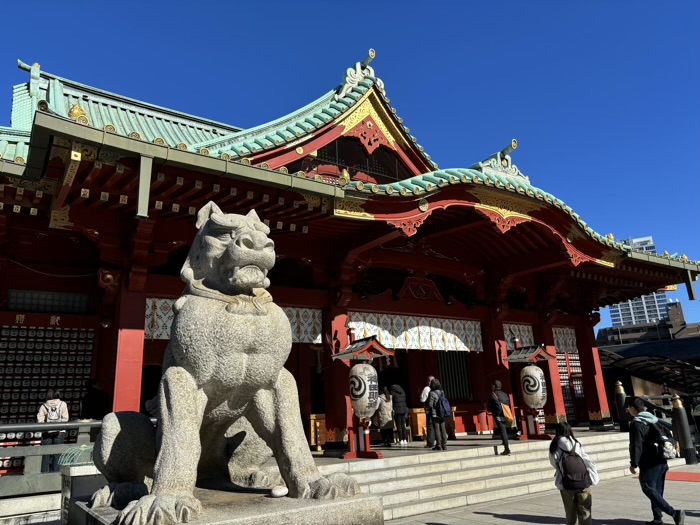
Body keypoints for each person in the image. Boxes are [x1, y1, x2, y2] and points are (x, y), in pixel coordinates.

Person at [627, 397, 685, 525]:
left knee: (647, 487)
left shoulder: (637, 423)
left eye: (628, 408)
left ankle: (674, 513)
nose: (628, 410)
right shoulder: (654, 419)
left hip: (649, 462)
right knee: (657, 490)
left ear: (633, 408)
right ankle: (657, 518)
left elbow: (636, 445)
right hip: (662, 461)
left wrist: (634, 464)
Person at [549, 422, 599, 525]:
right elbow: (586, 459)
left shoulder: (554, 445)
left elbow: (554, 463)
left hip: (567, 483)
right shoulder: (576, 443)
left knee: (570, 512)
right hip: (583, 481)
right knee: (585, 511)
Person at [37, 389, 69, 473]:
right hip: (60, 432)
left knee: (45, 454)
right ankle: (56, 474)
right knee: (57, 454)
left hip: (47, 433)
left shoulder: (44, 406)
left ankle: (44, 473)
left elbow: (39, 420)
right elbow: (65, 418)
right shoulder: (63, 404)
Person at [487, 379, 512, 456]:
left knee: (502, 431)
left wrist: (495, 413)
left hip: (498, 415)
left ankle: (507, 449)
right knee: (503, 429)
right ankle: (504, 442)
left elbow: (490, 405)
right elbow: (508, 404)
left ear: (494, 386)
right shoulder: (505, 394)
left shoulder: (493, 394)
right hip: (505, 414)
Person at [426, 378, 447, 450]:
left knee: (437, 429)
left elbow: (430, 404)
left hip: (435, 413)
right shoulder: (442, 392)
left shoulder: (432, 393)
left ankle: (438, 445)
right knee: (443, 429)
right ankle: (444, 444)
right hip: (442, 413)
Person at [420, 375, 436, 448]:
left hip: (429, 410)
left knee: (430, 426)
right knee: (437, 426)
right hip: (437, 410)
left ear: (429, 381)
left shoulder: (427, 388)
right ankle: (440, 441)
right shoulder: (438, 388)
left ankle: (430, 442)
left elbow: (422, 399)